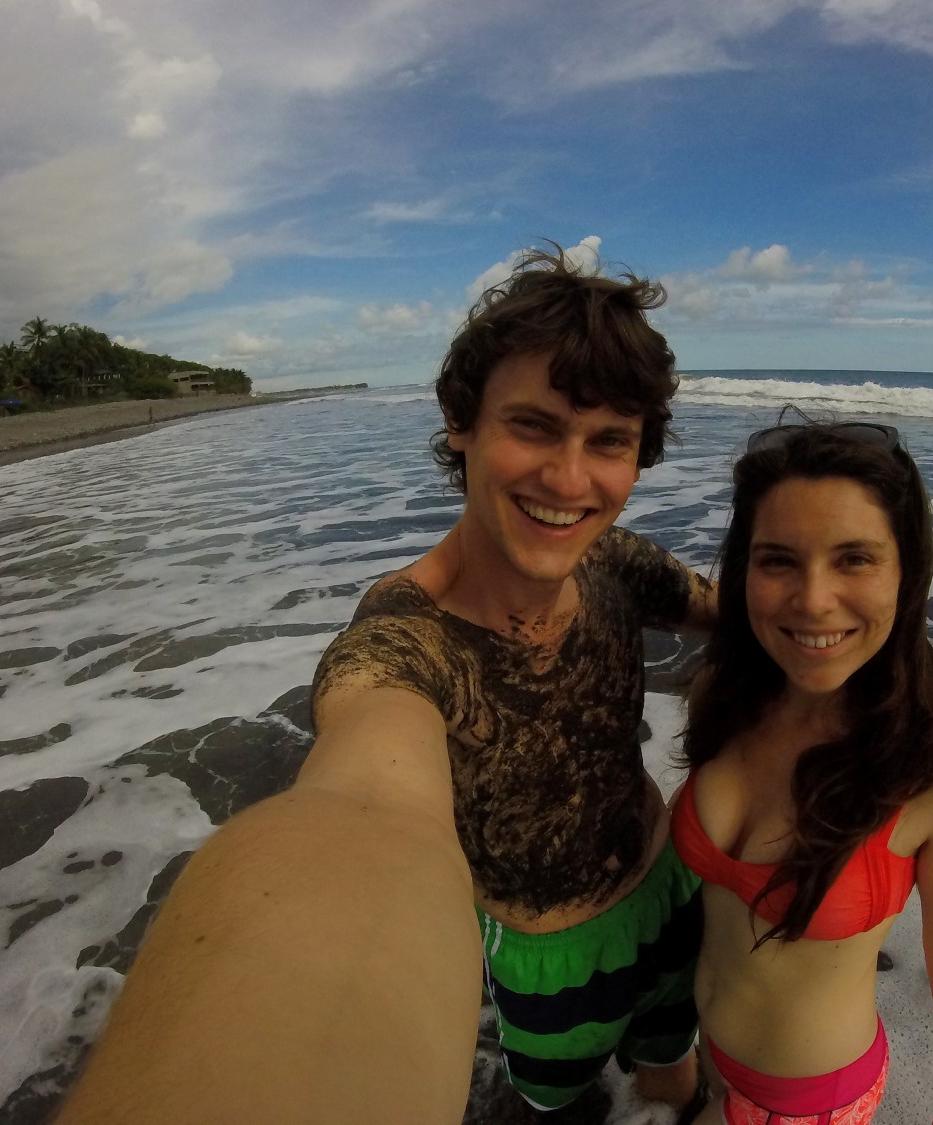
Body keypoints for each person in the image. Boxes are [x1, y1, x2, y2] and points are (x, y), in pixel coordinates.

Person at [58, 246, 715, 1123]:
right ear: (461, 421)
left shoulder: (615, 564)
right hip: (548, 959)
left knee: (674, 1070)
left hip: (667, 884)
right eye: (533, 426)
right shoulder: (409, 640)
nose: (568, 479)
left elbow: (763, 621)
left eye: (608, 442)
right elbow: (365, 801)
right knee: (564, 1107)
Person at [673, 421, 933, 1125]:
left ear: (907, 572)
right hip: (711, 1051)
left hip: (811, 1100)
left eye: (854, 558)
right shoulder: (725, 694)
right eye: (778, 560)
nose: (814, 599)